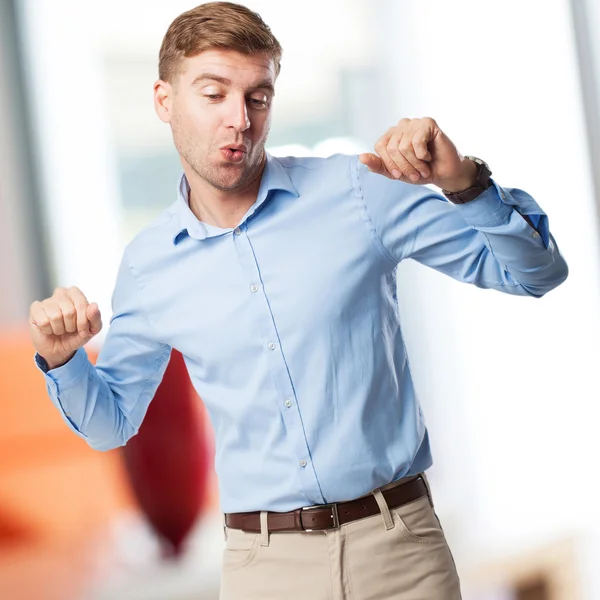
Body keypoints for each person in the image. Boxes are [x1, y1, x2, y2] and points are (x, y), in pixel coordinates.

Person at [29, 2, 568, 599]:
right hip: (266, 570)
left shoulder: (361, 188)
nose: (239, 120)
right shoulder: (150, 265)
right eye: (214, 95)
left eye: (257, 97)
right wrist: (63, 360)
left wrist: (464, 180)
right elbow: (111, 425)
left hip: (401, 551)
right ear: (164, 100)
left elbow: (535, 274)